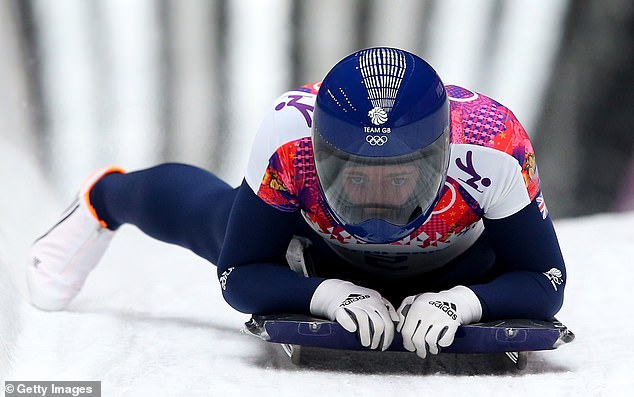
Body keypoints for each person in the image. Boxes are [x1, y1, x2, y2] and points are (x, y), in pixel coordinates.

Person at [28, 47, 566, 359]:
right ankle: (104, 197)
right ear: (320, 154)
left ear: (442, 156)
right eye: (358, 180)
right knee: (213, 218)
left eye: (396, 180)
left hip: (461, 263)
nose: (377, 203)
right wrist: (327, 294)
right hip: (318, 249)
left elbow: (546, 279)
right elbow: (237, 272)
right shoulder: (290, 134)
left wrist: (464, 302)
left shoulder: (495, 143)